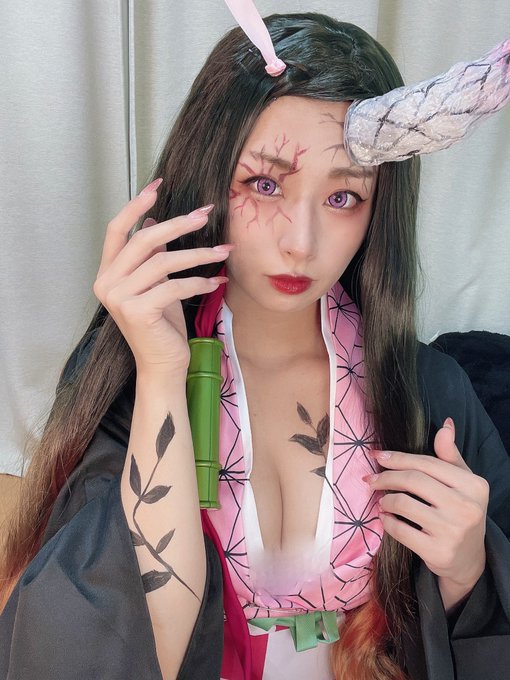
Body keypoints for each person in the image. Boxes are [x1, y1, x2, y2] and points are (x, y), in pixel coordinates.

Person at [1, 10, 510, 680]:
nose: (301, 241)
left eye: (343, 197)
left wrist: (468, 571)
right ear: (207, 176)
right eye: (265, 184)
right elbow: (135, 643)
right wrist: (161, 373)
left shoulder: (430, 392)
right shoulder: (128, 383)